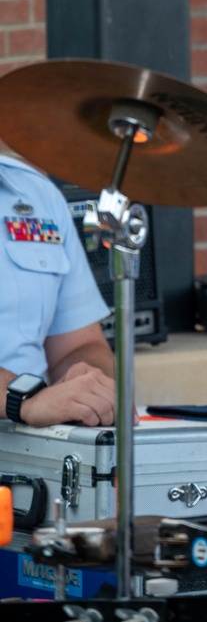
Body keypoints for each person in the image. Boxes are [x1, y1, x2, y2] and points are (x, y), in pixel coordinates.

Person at [1, 153, 115, 427]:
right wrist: (23, 399)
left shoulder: (37, 195)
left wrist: (86, 382)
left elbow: (78, 343)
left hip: (32, 451)